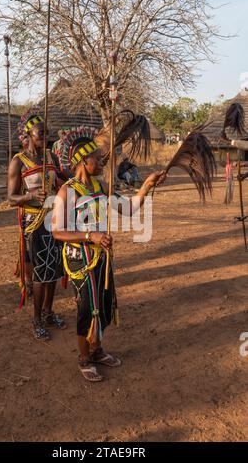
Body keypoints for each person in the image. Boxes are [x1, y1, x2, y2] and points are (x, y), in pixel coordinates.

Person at [52, 131, 166, 382]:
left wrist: (147, 185)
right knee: (86, 308)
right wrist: (89, 236)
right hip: (79, 259)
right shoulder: (67, 192)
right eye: (98, 158)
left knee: (102, 304)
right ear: (84, 162)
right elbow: (58, 230)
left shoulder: (101, 187)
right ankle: (84, 357)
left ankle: (97, 349)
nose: (102, 162)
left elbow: (128, 208)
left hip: (102, 257)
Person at [8, 108, 67, 340]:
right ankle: (37, 319)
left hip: (54, 219)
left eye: (46, 133)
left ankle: (49, 311)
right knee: (42, 273)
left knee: (55, 270)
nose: (44, 136)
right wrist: (31, 196)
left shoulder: (50, 157)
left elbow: (59, 181)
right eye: (39, 133)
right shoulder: (18, 162)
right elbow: (11, 198)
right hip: (34, 222)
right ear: (28, 135)